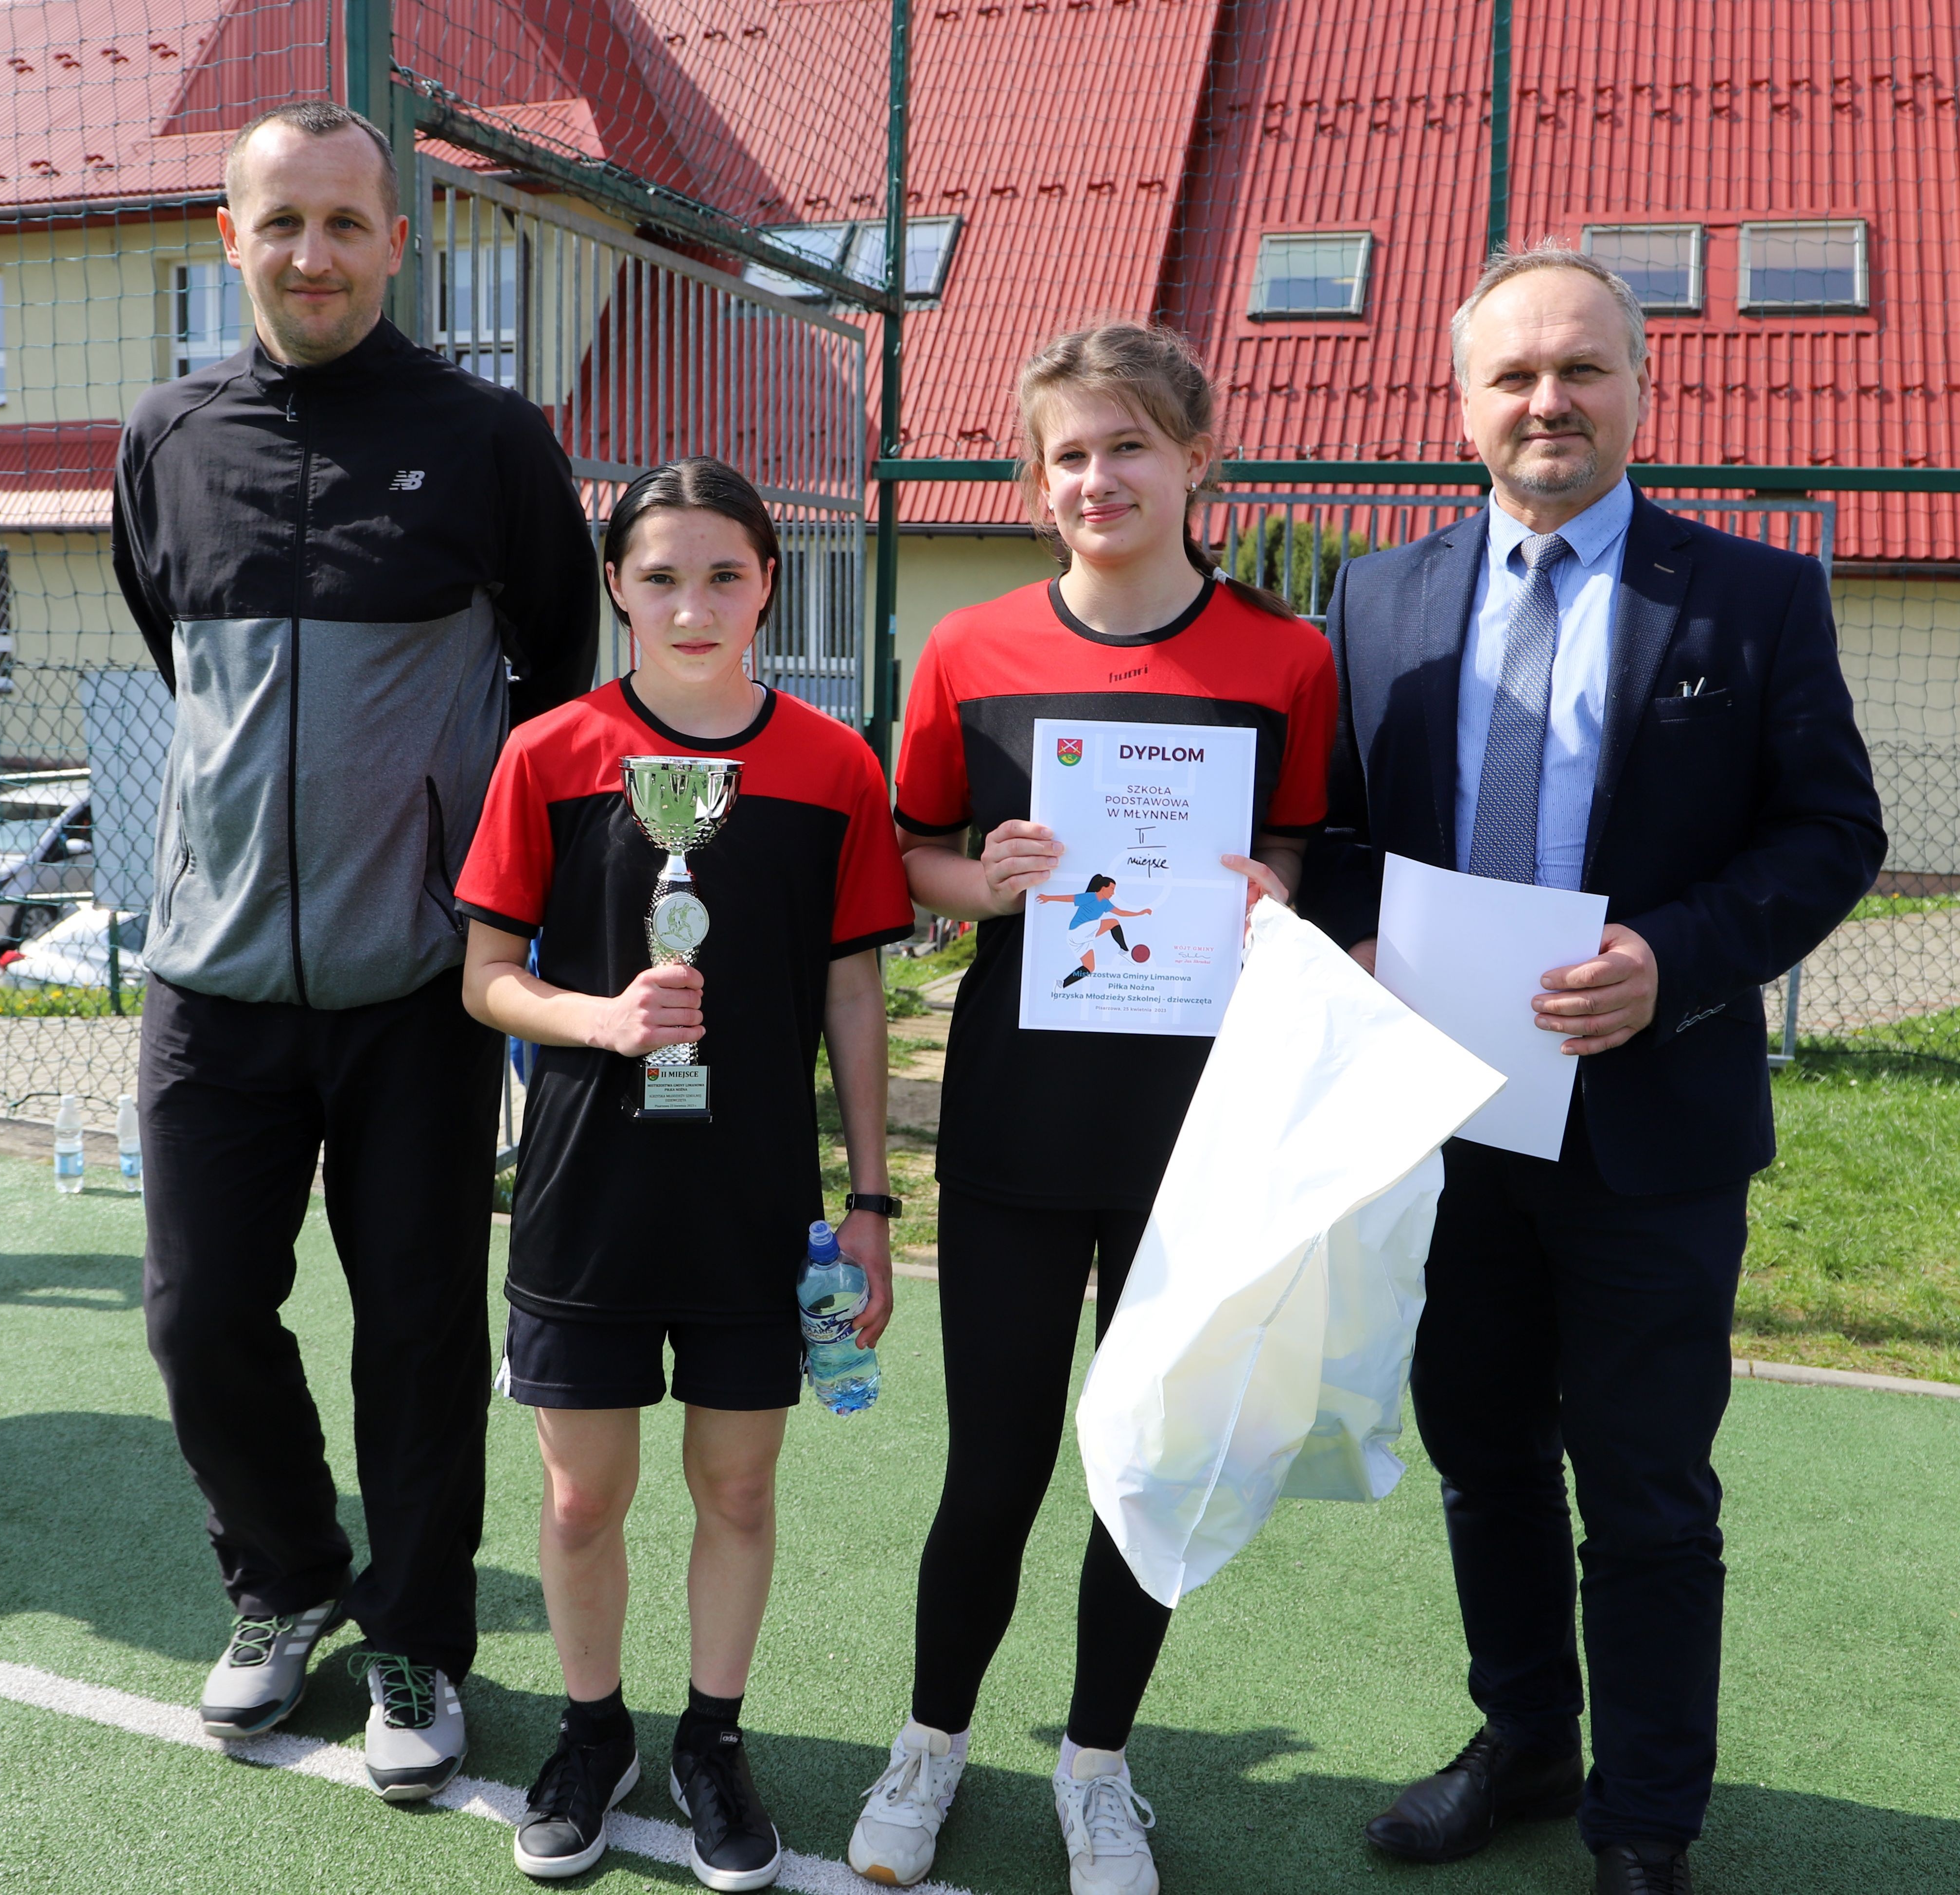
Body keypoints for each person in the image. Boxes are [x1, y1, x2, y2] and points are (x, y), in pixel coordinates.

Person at [1304, 242, 1885, 1894]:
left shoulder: (1753, 595)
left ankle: (1643, 1816)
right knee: (1482, 1452)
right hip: (1447, 1116)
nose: (1545, 399)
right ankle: (1524, 1738)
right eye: (1513, 373)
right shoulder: (1376, 597)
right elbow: (1336, 831)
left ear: (1639, 385)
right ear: (1461, 403)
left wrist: (1669, 960)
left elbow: (1830, 831)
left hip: (1651, 1126)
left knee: (1642, 1483)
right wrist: (1351, 937)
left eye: (1579, 368)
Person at [110, 102, 599, 1798]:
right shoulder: (167, 438)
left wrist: (462, 885)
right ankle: (287, 1577)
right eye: (280, 222)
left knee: (415, 1329)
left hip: (417, 987)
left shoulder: (490, 441)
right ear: (228, 240)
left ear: (398, 244)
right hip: (211, 980)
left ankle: (417, 1637)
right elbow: (177, 648)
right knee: (195, 1315)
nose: (310, 254)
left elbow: (554, 681)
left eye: (342, 222)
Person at [841, 322, 1337, 1895]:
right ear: (1034, 478)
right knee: (992, 1466)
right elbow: (908, 856)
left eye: (1128, 444)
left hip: (1195, 1135)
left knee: (1147, 1465)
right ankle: (930, 1739)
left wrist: (1272, 890)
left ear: (1196, 460)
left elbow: (1303, 845)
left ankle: (1096, 1765)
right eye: (1068, 452)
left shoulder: (1285, 657)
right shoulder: (969, 649)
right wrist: (979, 883)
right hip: (1014, 1126)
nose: (1097, 477)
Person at [455, 457, 912, 1887]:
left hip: (752, 1203)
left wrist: (869, 1200)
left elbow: (852, 995)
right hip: (585, 1194)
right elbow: (483, 976)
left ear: (768, 581)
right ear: (616, 587)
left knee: (738, 1487)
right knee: (580, 1498)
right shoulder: (551, 752)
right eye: (659, 576)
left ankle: (712, 1738)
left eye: (723, 573)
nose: (692, 605)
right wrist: (602, 1018)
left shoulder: (833, 767)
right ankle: (593, 1734)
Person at [1038, 875, 1152, 987]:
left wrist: (1140, 913)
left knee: (1090, 967)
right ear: (1103, 888)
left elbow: (1122, 913)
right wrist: (1048, 898)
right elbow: (1069, 898)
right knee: (1113, 922)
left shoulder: (1106, 903)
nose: (1113, 893)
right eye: (1112, 889)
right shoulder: (1091, 897)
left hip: (1081, 938)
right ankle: (1124, 951)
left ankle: (1061, 985)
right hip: (1078, 931)